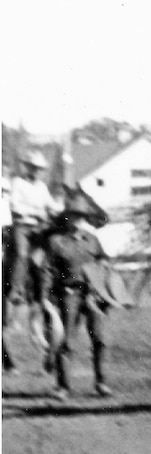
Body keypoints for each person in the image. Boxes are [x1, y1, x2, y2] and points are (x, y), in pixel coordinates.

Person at [43, 198, 117, 399]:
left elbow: (103, 259)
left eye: (80, 217)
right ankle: (63, 386)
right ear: (66, 218)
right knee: (66, 340)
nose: (77, 220)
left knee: (99, 338)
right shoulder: (56, 242)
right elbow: (48, 270)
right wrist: (45, 298)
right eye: (73, 216)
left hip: (93, 295)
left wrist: (106, 272)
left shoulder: (92, 239)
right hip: (69, 294)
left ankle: (101, 383)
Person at [9, 151, 60, 305]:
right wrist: (35, 213)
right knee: (22, 255)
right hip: (23, 226)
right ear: (28, 168)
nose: (37, 171)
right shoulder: (18, 183)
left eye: (39, 169)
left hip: (40, 228)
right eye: (34, 168)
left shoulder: (42, 187)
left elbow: (51, 205)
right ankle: (16, 290)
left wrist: (64, 208)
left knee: (52, 252)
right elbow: (15, 206)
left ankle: (52, 289)